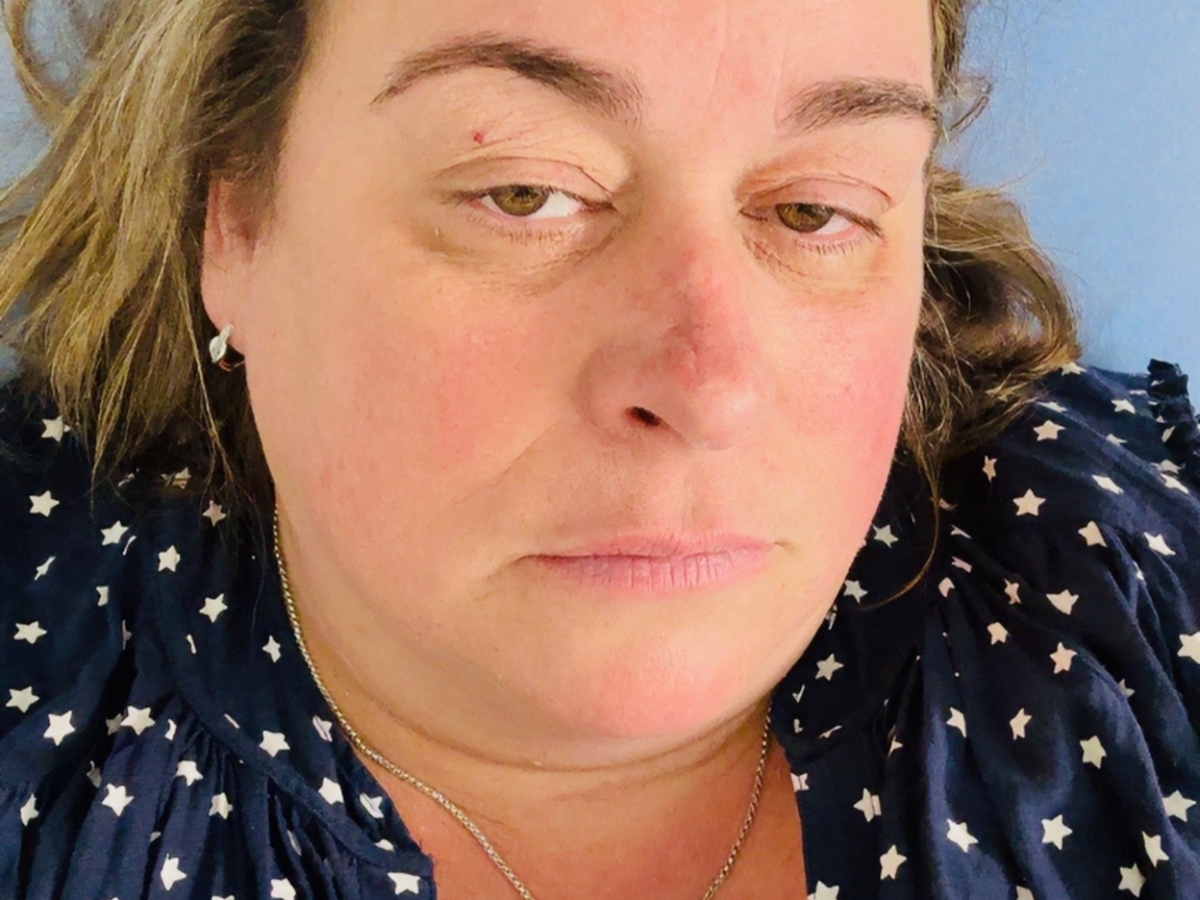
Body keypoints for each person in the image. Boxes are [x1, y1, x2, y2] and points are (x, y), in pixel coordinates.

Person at [0, 0, 1196, 897]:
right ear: (237, 222)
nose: (705, 387)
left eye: (814, 211)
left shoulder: (1132, 608)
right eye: (523, 192)